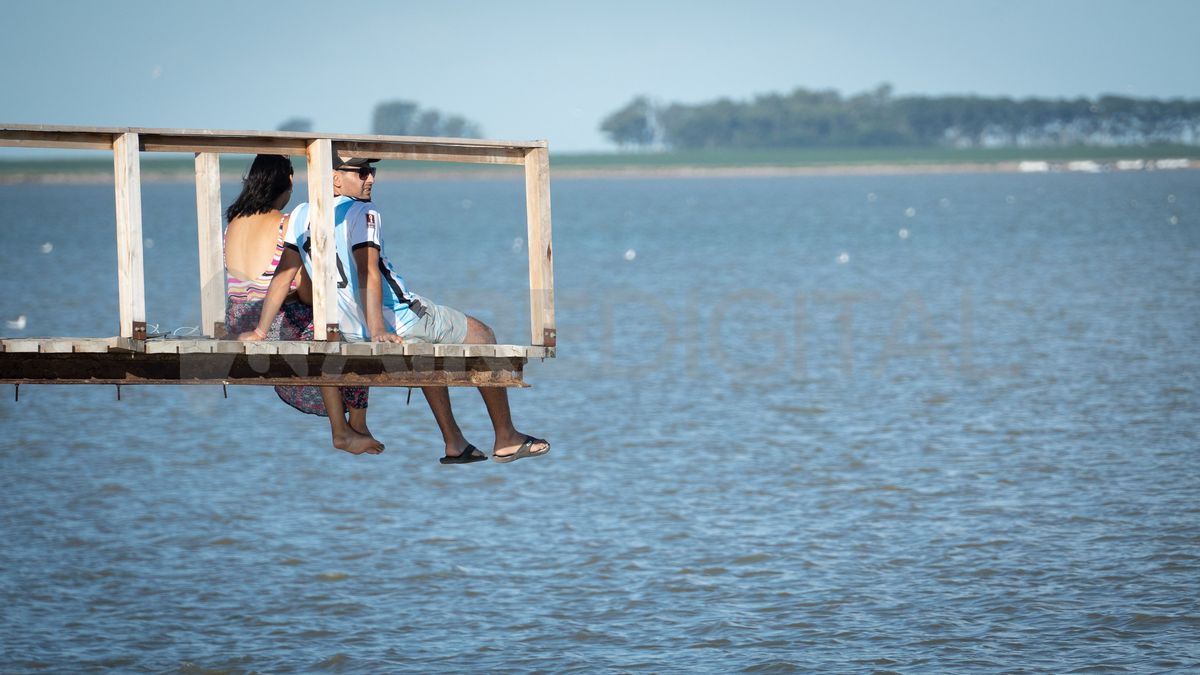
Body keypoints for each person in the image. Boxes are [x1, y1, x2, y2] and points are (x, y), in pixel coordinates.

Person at [243, 153, 550, 464]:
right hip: (399, 318)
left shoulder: (300, 215)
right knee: (483, 335)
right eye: (361, 172)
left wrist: (260, 331)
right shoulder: (363, 211)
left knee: (424, 353)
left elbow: (283, 275)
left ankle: (454, 441)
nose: (370, 178)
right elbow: (368, 271)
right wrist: (378, 329)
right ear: (334, 179)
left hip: (351, 331)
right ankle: (506, 436)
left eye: (372, 171)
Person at [225, 154, 383, 456]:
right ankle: (348, 427)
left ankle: (352, 428)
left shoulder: (234, 222)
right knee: (346, 333)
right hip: (272, 320)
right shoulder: (287, 223)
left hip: (237, 317)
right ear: (286, 182)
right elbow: (306, 292)